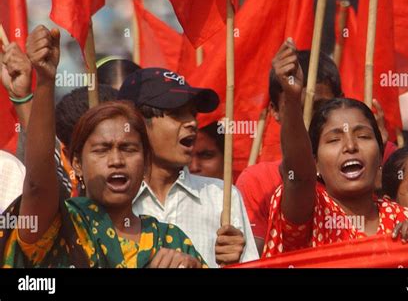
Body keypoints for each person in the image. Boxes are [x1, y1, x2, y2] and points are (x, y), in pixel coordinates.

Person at [1, 25, 205, 268]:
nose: (116, 160)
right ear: (76, 162)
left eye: (129, 149)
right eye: (101, 150)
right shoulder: (60, 224)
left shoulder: (172, 241)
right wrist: (45, 81)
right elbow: (38, 183)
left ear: (146, 160)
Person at [262, 38, 408, 258]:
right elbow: (298, 177)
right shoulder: (312, 211)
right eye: (334, 140)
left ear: (380, 154)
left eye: (364, 136)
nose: (350, 146)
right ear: (315, 162)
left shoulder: (404, 218)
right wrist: (291, 97)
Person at [118, 68, 259, 267]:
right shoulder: (113, 200)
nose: (192, 122)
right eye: (176, 113)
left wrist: (235, 264)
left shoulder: (222, 197)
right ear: (137, 123)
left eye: (192, 113)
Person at [236, 46, 344, 255]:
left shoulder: (363, 167)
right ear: (274, 111)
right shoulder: (258, 181)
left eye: (320, 107)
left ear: (341, 102)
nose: (308, 120)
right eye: (295, 107)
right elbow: (251, 257)